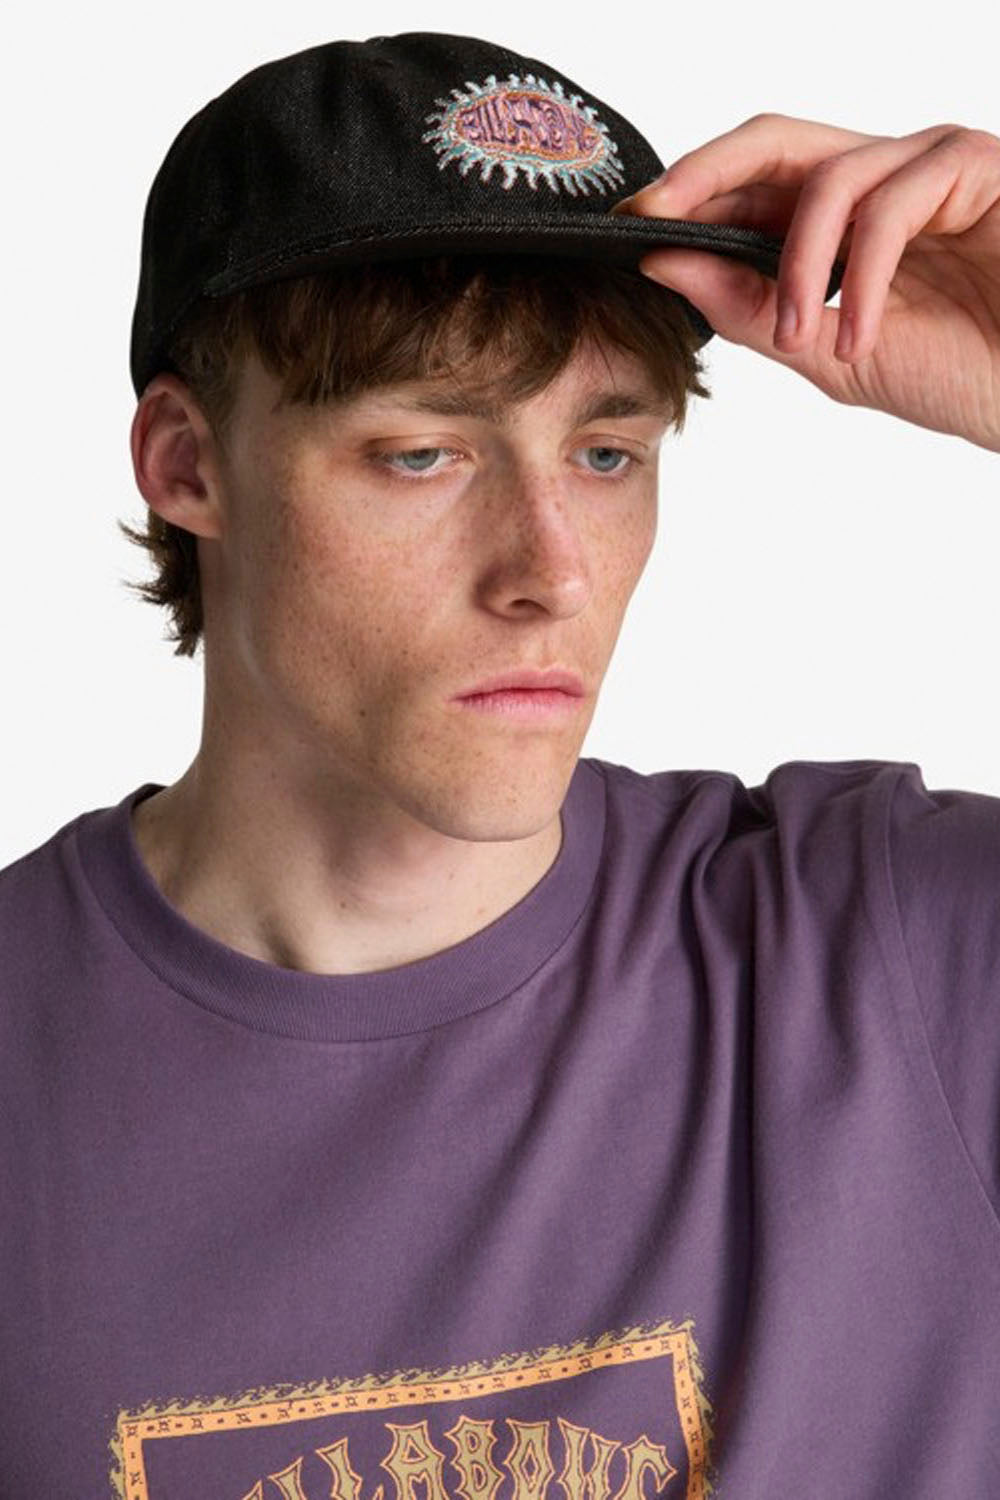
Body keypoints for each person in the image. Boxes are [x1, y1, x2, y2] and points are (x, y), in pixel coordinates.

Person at [1, 30, 998, 1500]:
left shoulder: (896, 953)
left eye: (606, 454)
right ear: (187, 467)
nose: (552, 573)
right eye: (424, 453)